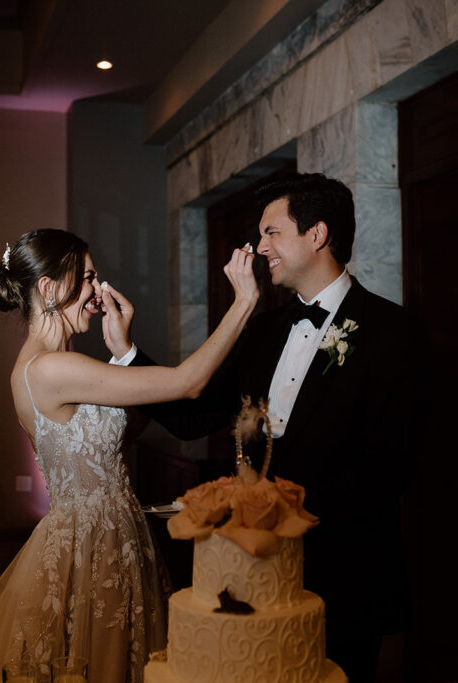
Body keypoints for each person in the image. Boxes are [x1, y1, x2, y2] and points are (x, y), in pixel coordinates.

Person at [127, 173, 424, 683]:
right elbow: (195, 414)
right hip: (257, 571)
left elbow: (392, 465)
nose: (259, 247)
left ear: (317, 234)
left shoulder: (393, 331)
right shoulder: (263, 332)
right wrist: (127, 353)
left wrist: (286, 510)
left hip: (347, 570)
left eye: (271, 233)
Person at [0, 228, 258, 683]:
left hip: (112, 533)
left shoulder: (47, 367)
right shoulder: (51, 367)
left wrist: (122, 352)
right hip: (92, 544)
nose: (98, 292)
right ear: (50, 287)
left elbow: (118, 436)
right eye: (89, 278)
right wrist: (243, 303)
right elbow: (186, 383)